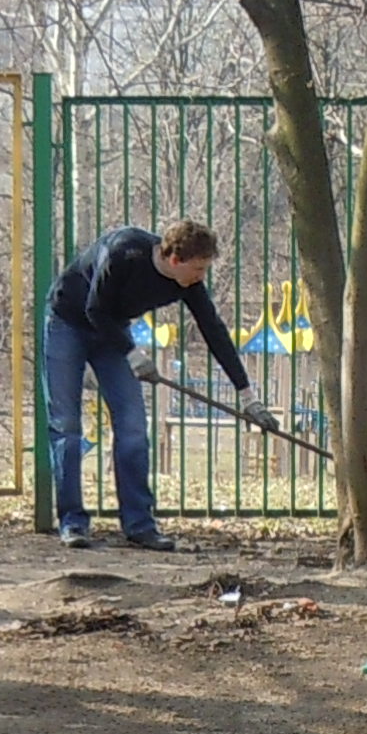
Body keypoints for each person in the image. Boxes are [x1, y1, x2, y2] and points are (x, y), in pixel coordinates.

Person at [44, 218, 271, 550]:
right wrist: (133, 355)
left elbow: (214, 331)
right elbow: (95, 309)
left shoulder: (188, 282)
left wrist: (247, 395)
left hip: (114, 333)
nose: (202, 277)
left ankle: (139, 525)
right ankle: (73, 523)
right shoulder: (124, 252)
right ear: (175, 259)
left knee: (133, 426)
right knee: (66, 425)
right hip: (67, 322)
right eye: (199, 268)